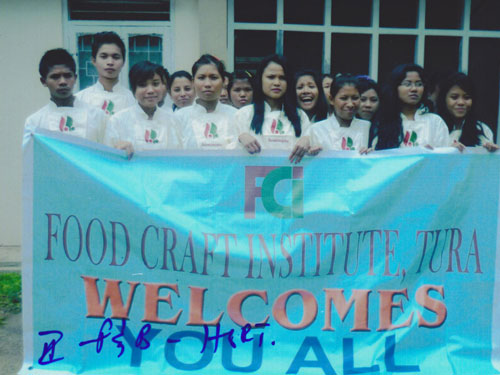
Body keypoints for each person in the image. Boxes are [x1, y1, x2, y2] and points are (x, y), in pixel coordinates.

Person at [234, 54, 311, 162]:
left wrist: (309, 141)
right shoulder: (244, 114)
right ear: (260, 79)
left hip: (289, 176)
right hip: (252, 176)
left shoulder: (300, 116)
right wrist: (241, 138)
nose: (277, 83)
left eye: (282, 78)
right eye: (271, 77)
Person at [24, 49, 106, 147]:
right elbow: (31, 159)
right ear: (43, 81)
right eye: (55, 77)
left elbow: (109, 156)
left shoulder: (97, 116)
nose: (63, 81)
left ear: (75, 78)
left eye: (67, 76)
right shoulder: (35, 122)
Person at [104, 61, 185, 156]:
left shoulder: (173, 121)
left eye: (155, 84)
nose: (150, 90)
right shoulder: (118, 121)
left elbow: (180, 158)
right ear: (133, 89)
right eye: (142, 85)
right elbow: (108, 159)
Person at [373, 63, 449, 150]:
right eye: (407, 84)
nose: (414, 89)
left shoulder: (435, 121)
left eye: (419, 84)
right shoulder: (385, 121)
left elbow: (444, 156)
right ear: (395, 87)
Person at [175, 54, 237, 150]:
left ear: (224, 81)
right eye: (201, 78)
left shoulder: (235, 116)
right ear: (192, 82)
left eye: (213, 77)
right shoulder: (179, 117)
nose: (207, 84)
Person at [76, 31, 135, 116]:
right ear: (93, 60)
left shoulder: (133, 100)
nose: (110, 62)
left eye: (116, 57)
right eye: (104, 56)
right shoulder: (80, 99)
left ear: (123, 62)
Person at [437, 72, 499, 152]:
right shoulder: (435, 127)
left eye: (466, 98)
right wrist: (449, 150)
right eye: (454, 97)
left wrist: (491, 152)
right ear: (443, 99)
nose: (461, 102)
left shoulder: (483, 129)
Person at [307, 75, 370, 151]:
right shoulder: (317, 130)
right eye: (344, 98)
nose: (350, 104)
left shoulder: (367, 127)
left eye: (355, 98)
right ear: (331, 99)